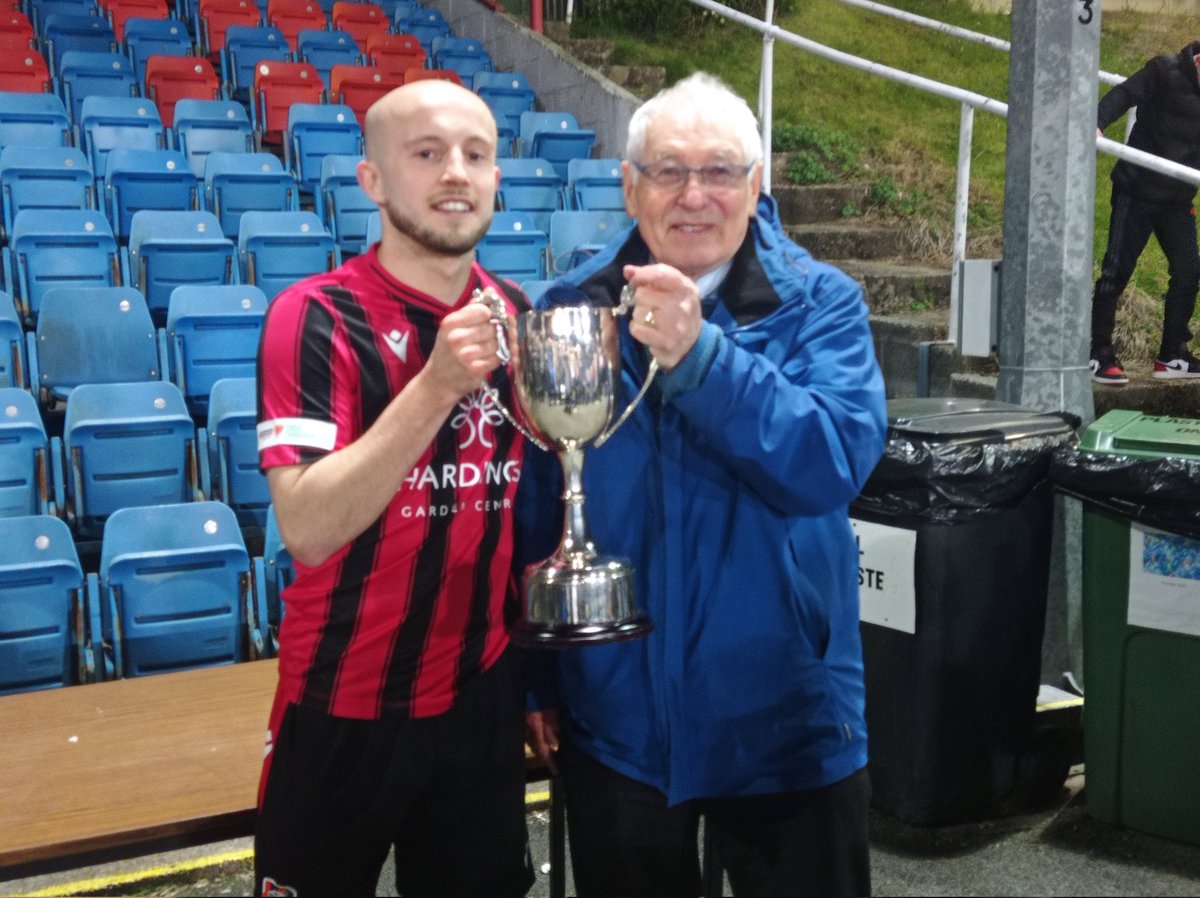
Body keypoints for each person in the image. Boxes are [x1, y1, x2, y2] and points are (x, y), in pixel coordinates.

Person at [519, 72, 887, 898]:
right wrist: (539, 678)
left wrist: (703, 360)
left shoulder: (823, 303)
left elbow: (832, 463)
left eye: (720, 171)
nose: (695, 195)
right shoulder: (571, 307)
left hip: (788, 717)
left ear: (757, 186)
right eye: (667, 170)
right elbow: (543, 506)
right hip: (617, 721)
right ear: (628, 184)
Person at [253, 79, 534, 897]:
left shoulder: (517, 313)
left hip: (480, 693)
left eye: (476, 155)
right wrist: (436, 384)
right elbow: (307, 527)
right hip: (345, 700)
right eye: (426, 153)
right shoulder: (314, 318)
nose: (456, 172)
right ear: (371, 179)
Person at [1090, 40, 1200, 385]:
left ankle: (1173, 354)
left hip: (1179, 200)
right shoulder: (1165, 70)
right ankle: (1097, 353)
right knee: (1116, 270)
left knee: (1189, 270)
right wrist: (1097, 123)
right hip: (1136, 190)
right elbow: (1123, 94)